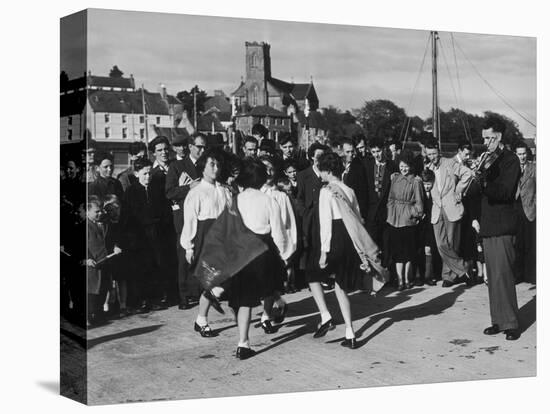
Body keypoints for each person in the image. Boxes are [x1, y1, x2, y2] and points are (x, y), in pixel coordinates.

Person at [230, 159, 291, 359]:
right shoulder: (268, 201)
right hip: (264, 250)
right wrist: (284, 255)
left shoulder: (236, 199)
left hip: (240, 251)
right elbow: (279, 233)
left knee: (244, 300)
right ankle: (272, 311)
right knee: (271, 287)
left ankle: (243, 343)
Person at [478, 116, 522, 341]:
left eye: (489, 137)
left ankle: (511, 323)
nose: (485, 142)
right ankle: (497, 320)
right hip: (488, 224)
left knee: (504, 275)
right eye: (484, 137)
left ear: (499, 136)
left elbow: (505, 192)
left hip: (504, 224)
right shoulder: (488, 159)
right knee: (492, 277)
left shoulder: (511, 160)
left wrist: (484, 180)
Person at [180, 149, 232, 338]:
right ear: (202, 168)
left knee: (222, 283)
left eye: (218, 164)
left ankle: (202, 318)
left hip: (223, 238)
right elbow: (190, 220)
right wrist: (189, 246)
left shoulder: (225, 190)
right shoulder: (196, 193)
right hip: (205, 239)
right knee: (211, 283)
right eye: (212, 164)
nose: (216, 168)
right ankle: (202, 320)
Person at [317, 152, 365, 348]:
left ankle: (348, 329)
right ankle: (349, 332)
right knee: (341, 285)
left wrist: (323, 251)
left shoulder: (326, 191)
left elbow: (325, 223)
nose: (320, 174)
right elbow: (358, 220)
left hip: (335, 237)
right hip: (350, 237)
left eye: (321, 171)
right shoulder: (350, 190)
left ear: (328, 172)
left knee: (335, 284)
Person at [296, 142, 339, 336]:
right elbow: (300, 199)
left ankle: (327, 315)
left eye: (323, 156)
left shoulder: (328, 177)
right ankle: (328, 315)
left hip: (326, 224)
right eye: (317, 156)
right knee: (312, 268)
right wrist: (305, 215)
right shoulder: (303, 175)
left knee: (318, 270)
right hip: (310, 225)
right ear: (311, 156)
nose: (319, 159)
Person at [425, 139, 474, 287]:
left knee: (452, 244)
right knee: (441, 244)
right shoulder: (427, 167)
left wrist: (458, 190)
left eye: (434, 153)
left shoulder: (450, 163)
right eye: (429, 154)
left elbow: (468, 173)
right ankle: (463, 269)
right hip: (437, 209)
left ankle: (448, 277)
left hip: (452, 207)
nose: (432, 157)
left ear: (438, 151)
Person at [165, 133, 205, 309]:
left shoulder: (207, 166)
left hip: (203, 216)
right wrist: (189, 187)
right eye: (198, 147)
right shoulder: (177, 166)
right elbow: (170, 192)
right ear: (190, 146)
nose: (202, 150)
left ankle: (201, 292)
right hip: (183, 218)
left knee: (202, 254)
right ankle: (184, 296)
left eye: (204, 147)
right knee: (183, 256)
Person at [259, 155, 297, 332]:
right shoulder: (254, 194)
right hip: (258, 244)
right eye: (263, 167)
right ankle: (280, 303)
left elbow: (289, 225)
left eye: (270, 168)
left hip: (276, 245)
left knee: (268, 281)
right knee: (264, 282)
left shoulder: (280, 196)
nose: (267, 171)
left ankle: (265, 316)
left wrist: (288, 250)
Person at [386, 150, 424, 290]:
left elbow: (419, 203)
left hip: (408, 220)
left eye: (406, 166)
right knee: (397, 253)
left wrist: (413, 214)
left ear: (411, 166)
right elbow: (390, 199)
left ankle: (407, 279)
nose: (403, 169)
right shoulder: (395, 178)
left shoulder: (415, 181)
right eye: (401, 166)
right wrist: (390, 213)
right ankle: (400, 280)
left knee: (408, 252)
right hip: (394, 219)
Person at [148, 136, 177, 308]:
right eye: (159, 150)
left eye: (166, 149)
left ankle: (178, 291)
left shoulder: (176, 167)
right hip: (161, 222)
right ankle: (166, 293)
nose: (164, 153)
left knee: (176, 256)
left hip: (176, 219)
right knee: (163, 257)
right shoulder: (151, 174)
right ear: (154, 154)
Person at [363, 138, 398, 266]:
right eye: (373, 152)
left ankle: (387, 272)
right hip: (371, 213)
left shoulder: (393, 166)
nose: (376, 154)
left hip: (387, 212)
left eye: (378, 151)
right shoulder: (366, 165)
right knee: (372, 244)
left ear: (383, 150)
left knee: (387, 244)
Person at [514, 140, 536, 284]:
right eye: (519, 154)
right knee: (517, 244)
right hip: (515, 210)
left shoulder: (534, 168)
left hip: (530, 209)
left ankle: (531, 275)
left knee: (531, 243)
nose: (522, 157)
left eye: (523, 154)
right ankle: (518, 275)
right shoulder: (512, 168)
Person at [414, 169, 439, 286]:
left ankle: (428, 275)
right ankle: (418, 275)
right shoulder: (419, 193)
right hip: (419, 225)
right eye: (424, 184)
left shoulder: (434, 193)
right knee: (419, 250)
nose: (427, 186)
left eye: (429, 184)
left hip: (430, 224)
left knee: (429, 249)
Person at [341, 138, 369, 224]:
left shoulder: (359, 167)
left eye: (352, 151)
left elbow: (362, 193)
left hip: (353, 209)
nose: (351, 154)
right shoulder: (336, 164)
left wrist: (361, 215)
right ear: (342, 152)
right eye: (347, 152)